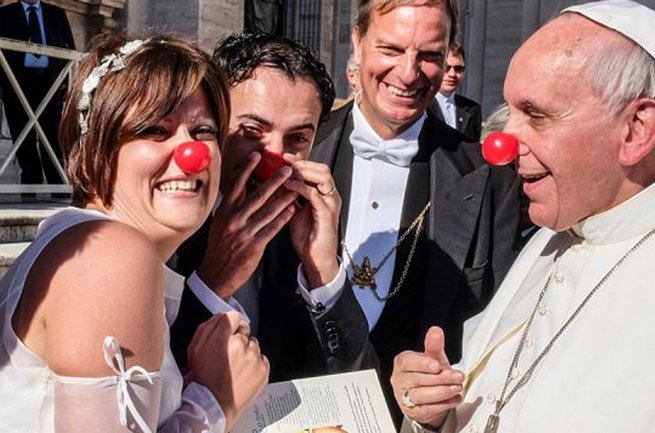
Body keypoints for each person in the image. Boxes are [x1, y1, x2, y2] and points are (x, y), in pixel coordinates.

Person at [391, 1, 655, 432]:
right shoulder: (566, 224)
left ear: (636, 130)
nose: (503, 142)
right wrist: (435, 414)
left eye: (536, 115)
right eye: (510, 110)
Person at [0, 34, 267, 432]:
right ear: (97, 152)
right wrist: (216, 401)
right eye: (156, 131)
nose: (190, 155)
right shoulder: (110, 255)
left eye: (204, 131)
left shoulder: (79, 243)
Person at [314, 0, 521, 421]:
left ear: (447, 57)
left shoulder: (490, 181)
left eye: (428, 55)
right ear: (357, 42)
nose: (408, 74)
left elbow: (491, 335)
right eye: (390, 49)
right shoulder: (302, 147)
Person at [170, 32, 377, 382]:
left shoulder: (301, 230)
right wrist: (213, 281)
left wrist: (323, 272)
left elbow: (359, 383)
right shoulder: (168, 219)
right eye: (252, 131)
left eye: (297, 139)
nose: (275, 157)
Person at [0, 0, 75, 186]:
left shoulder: (56, 13)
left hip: (50, 83)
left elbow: (69, 48)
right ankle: (30, 184)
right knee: (22, 134)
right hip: (17, 83)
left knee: (51, 134)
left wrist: (66, 83)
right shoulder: (5, 14)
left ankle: (56, 183)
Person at [428, 43, 482, 141]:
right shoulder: (421, 106)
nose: (452, 74)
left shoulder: (473, 109)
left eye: (458, 69)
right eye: (446, 68)